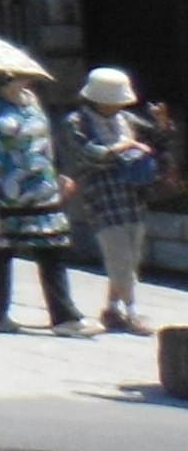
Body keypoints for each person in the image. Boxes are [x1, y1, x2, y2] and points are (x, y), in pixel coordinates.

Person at [67, 66, 172, 333]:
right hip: (102, 195)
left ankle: (113, 308)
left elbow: (157, 145)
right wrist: (124, 147)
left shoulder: (127, 120)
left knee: (132, 252)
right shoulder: (77, 122)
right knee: (118, 254)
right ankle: (132, 311)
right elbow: (88, 154)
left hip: (132, 193)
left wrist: (161, 125)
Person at [0, 72, 86, 338]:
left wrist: (63, 171)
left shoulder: (33, 101)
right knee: (1, 252)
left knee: (52, 249)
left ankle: (64, 315)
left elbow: (52, 140)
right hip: (5, 188)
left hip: (42, 185)